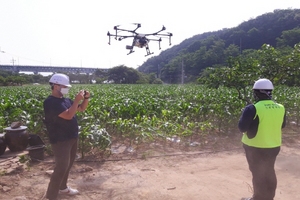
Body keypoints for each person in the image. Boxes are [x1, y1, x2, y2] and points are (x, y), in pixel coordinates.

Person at [43, 73, 90, 200]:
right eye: (64, 86)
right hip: (60, 140)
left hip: (72, 137)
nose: (67, 88)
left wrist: (85, 99)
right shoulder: (50, 102)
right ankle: (51, 196)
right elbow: (68, 115)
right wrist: (76, 100)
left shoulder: (66, 100)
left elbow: (81, 109)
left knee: (68, 165)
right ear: (56, 86)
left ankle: (63, 188)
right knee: (61, 168)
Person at [238, 78, 286, 200]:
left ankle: (258, 198)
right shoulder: (280, 107)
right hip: (274, 146)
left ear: (256, 93)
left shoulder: (252, 108)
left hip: (255, 147)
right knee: (269, 170)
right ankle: (269, 197)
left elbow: (242, 128)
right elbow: (282, 125)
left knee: (257, 172)